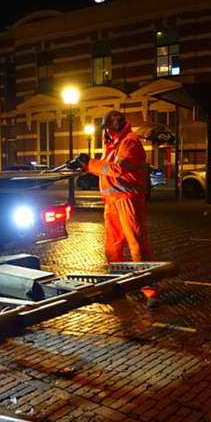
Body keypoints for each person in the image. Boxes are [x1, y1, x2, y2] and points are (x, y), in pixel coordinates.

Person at [67, 110, 159, 307]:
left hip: (128, 199)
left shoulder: (129, 142)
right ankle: (118, 285)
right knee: (113, 245)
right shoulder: (115, 143)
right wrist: (85, 167)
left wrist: (89, 163)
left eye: (107, 128)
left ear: (116, 126)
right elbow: (108, 168)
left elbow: (117, 169)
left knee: (138, 245)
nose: (106, 132)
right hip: (113, 201)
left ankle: (150, 291)